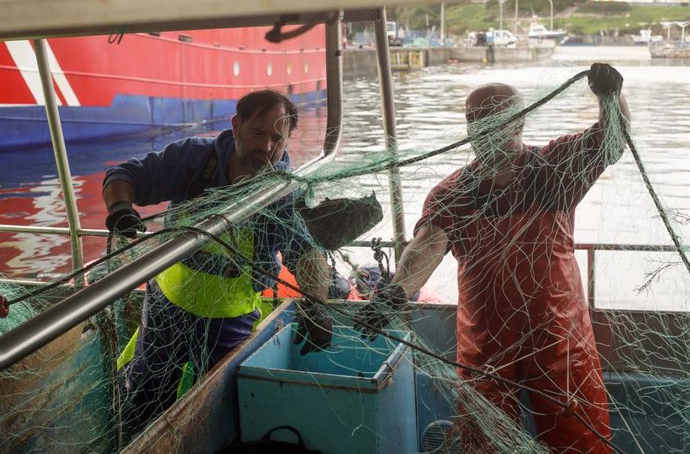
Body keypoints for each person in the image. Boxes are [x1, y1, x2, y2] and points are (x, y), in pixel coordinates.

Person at [357, 63, 629, 453]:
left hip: (559, 333)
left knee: (580, 437)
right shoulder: (452, 191)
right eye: (474, 118)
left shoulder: (555, 168)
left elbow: (611, 141)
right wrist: (398, 291)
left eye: (493, 116)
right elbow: (429, 242)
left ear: (519, 122)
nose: (481, 126)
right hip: (486, 339)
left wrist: (611, 97)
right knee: (484, 441)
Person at [102, 89, 333, 433]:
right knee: (147, 396)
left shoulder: (282, 189)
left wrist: (318, 308)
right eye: (257, 133)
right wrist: (121, 209)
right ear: (236, 125)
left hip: (231, 317)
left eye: (277, 138)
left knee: (222, 407)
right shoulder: (194, 159)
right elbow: (125, 175)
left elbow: (308, 252)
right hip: (168, 306)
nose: (266, 147)